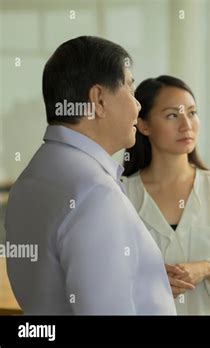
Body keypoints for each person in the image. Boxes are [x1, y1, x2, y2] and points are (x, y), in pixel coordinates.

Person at [5, 36, 176, 315]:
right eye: (130, 90)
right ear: (98, 99)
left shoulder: (32, 177)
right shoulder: (95, 193)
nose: (137, 106)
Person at [122, 75, 210, 315]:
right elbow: (107, 275)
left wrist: (206, 268)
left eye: (192, 113)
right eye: (172, 115)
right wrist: (147, 279)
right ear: (144, 125)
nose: (187, 125)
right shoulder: (123, 194)